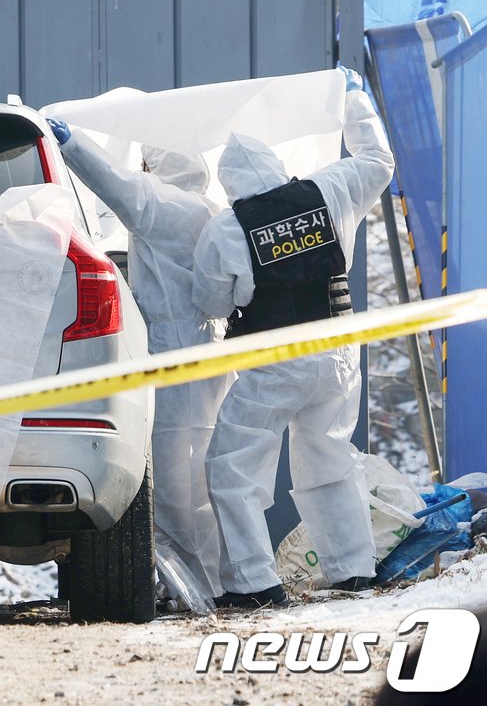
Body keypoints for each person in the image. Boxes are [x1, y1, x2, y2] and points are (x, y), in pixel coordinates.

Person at [192, 67, 394, 607]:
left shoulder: (227, 227)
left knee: (231, 468)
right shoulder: (327, 189)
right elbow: (378, 162)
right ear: (278, 168)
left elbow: (212, 303)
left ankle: (254, 582)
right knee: (328, 457)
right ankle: (354, 570)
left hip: (274, 362)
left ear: (231, 183)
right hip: (337, 352)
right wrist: (355, 100)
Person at [45, 117, 231, 604]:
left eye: (149, 161)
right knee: (198, 481)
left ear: (160, 162)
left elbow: (123, 189)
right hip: (203, 350)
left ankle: (194, 592)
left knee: (176, 486)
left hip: (179, 357)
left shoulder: (172, 206)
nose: (143, 169)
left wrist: (73, 144)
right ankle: (205, 585)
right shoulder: (207, 208)